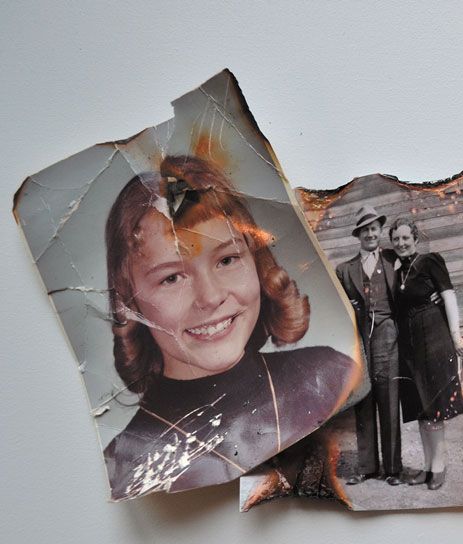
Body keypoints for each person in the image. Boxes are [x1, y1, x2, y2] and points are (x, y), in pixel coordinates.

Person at [102, 155, 360, 500]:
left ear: (257, 262)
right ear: (128, 303)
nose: (210, 298)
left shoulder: (331, 376)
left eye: (226, 260)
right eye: (172, 278)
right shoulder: (128, 463)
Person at [388, 217, 463, 490]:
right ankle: (425, 466)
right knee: (420, 410)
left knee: (433, 409)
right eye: (396, 239)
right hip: (409, 347)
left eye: (405, 238)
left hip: (432, 339)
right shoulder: (397, 272)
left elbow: (448, 295)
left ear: (415, 239)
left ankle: (439, 467)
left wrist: (456, 335)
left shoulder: (431, 260)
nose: (400, 243)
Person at [334, 206, 403, 486]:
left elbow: (412, 282)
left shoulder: (392, 259)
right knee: (364, 400)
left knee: (389, 399)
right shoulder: (344, 269)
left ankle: (393, 470)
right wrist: (348, 308)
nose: (371, 234)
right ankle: (367, 467)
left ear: (380, 232)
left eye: (375, 229)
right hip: (360, 339)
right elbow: (336, 305)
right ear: (359, 235)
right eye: (366, 230)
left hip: (388, 336)